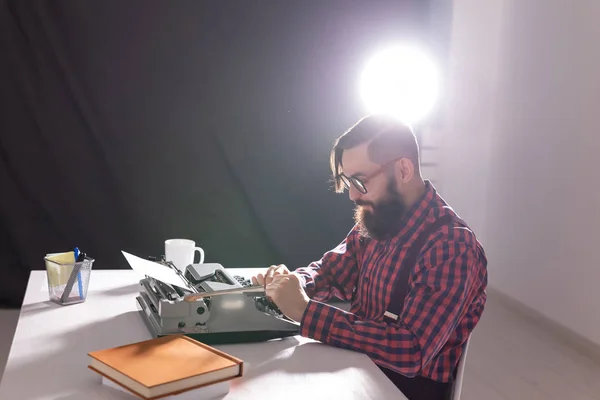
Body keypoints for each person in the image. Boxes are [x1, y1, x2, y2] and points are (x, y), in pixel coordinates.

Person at [251, 114, 488, 400]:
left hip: (402, 390)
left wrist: (305, 311)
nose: (352, 195)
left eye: (360, 182)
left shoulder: (452, 245)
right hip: (357, 371)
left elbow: (411, 351)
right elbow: (329, 272)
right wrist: (290, 283)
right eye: (348, 181)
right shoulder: (378, 218)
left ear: (403, 170)